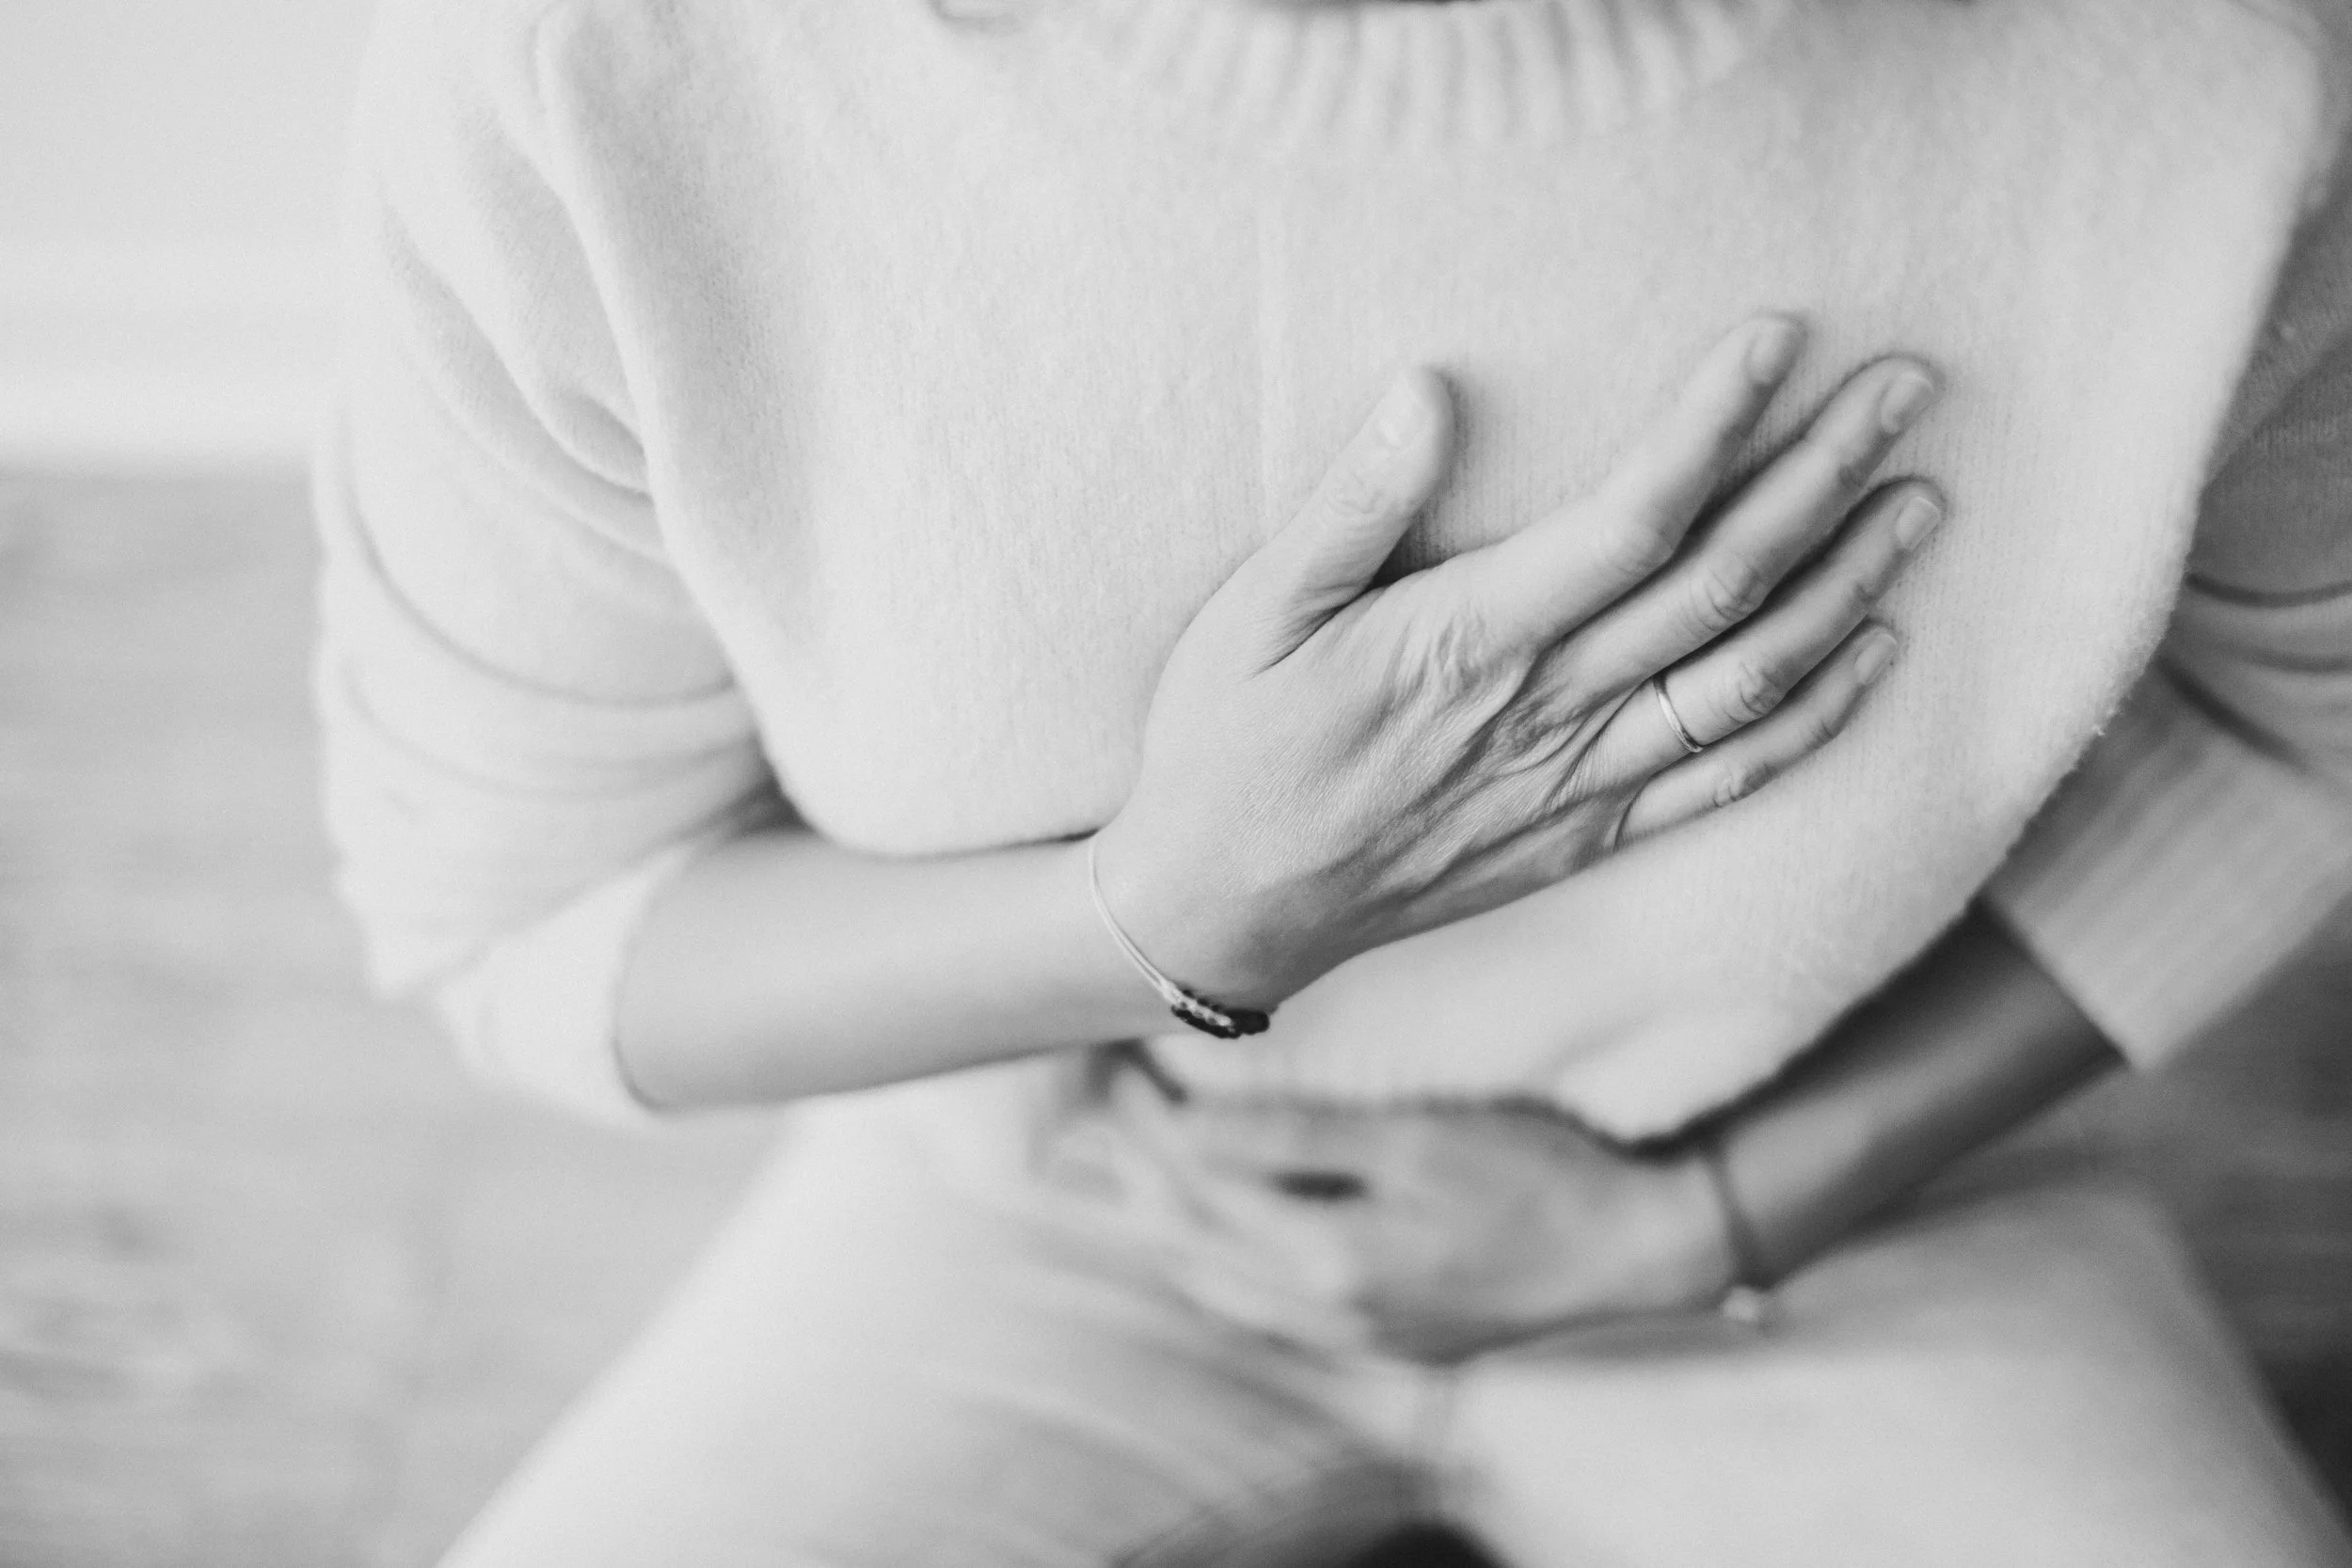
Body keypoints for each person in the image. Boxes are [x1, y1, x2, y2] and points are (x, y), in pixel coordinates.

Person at [311, 0, 2352, 1560]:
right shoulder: (596, 71)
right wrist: (1164, 916)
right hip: (1042, 1189)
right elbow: (517, 918)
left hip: (1855, 1189)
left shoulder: (2205, 74)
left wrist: (1697, 1214)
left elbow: (2310, 716)